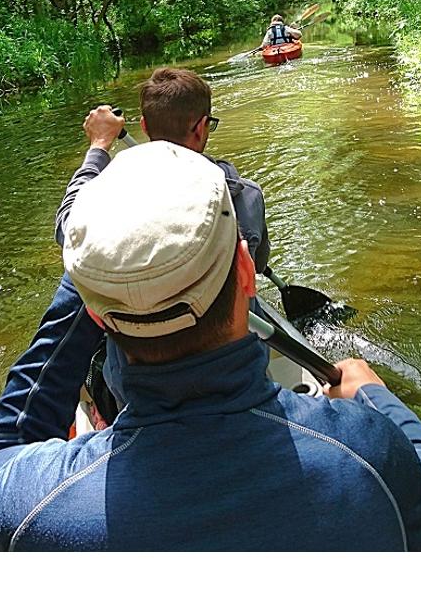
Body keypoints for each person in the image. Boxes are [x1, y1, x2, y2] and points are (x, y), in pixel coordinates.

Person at [0, 141, 421, 551]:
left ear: (96, 315)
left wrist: (87, 285)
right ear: (247, 272)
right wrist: (376, 398)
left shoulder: (27, 507)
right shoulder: (367, 449)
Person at [47, 67, 272, 420]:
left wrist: (99, 146)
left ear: (145, 127)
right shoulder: (244, 196)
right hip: (236, 374)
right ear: (201, 128)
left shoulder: (111, 204)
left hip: (136, 389)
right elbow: (254, 269)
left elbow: (67, 227)